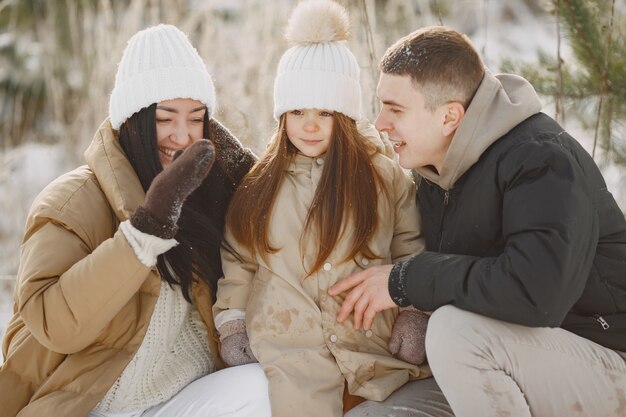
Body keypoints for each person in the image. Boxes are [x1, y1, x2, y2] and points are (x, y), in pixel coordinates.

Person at [331, 26, 626, 417]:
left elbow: (537, 296)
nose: (381, 121)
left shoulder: (541, 159)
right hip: (506, 361)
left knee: (454, 331)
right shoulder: (436, 170)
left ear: (451, 115)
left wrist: (407, 283)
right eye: (380, 105)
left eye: (395, 109)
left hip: (603, 361)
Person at [0, 24, 271, 417]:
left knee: (263, 386)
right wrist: (145, 231)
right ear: (133, 121)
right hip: (91, 406)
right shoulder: (72, 200)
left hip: (178, 400)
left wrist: (238, 167)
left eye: (196, 118)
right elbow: (53, 323)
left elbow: (274, 220)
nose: (182, 136)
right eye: (166, 119)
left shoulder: (205, 193)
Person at [212, 1, 432, 416]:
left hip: (369, 343)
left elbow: (410, 246)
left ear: (346, 116)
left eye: (324, 113)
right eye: (297, 112)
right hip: (289, 344)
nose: (309, 126)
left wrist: (414, 310)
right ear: (282, 116)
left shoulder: (383, 178)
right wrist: (233, 321)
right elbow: (239, 257)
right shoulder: (261, 185)